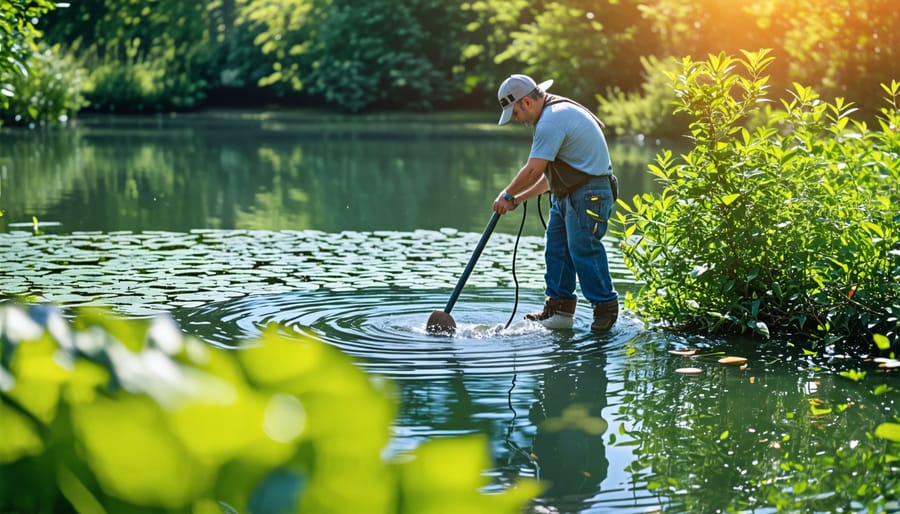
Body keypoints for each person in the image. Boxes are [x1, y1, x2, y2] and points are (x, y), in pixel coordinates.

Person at [492, 74, 618, 332]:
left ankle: (605, 309)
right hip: (568, 193)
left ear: (526, 102)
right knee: (556, 249)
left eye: (515, 113)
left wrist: (505, 194)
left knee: (583, 249)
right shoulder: (553, 114)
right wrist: (517, 198)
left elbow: (532, 170)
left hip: (590, 193)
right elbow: (550, 179)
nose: (517, 120)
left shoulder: (552, 119)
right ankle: (559, 309)